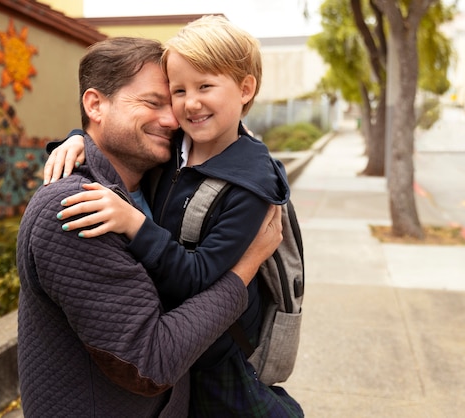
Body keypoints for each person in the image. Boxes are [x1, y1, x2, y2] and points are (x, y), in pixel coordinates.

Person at [46, 16, 304, 417]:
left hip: (221, 355)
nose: (184, 107)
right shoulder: (178, 147)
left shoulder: (250, 187)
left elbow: (197, 277)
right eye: (175, 92)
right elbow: (117, 135)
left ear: (246, 88)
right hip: (182, 353)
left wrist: (133, 222)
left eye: (204, 87)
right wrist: (78, 138)